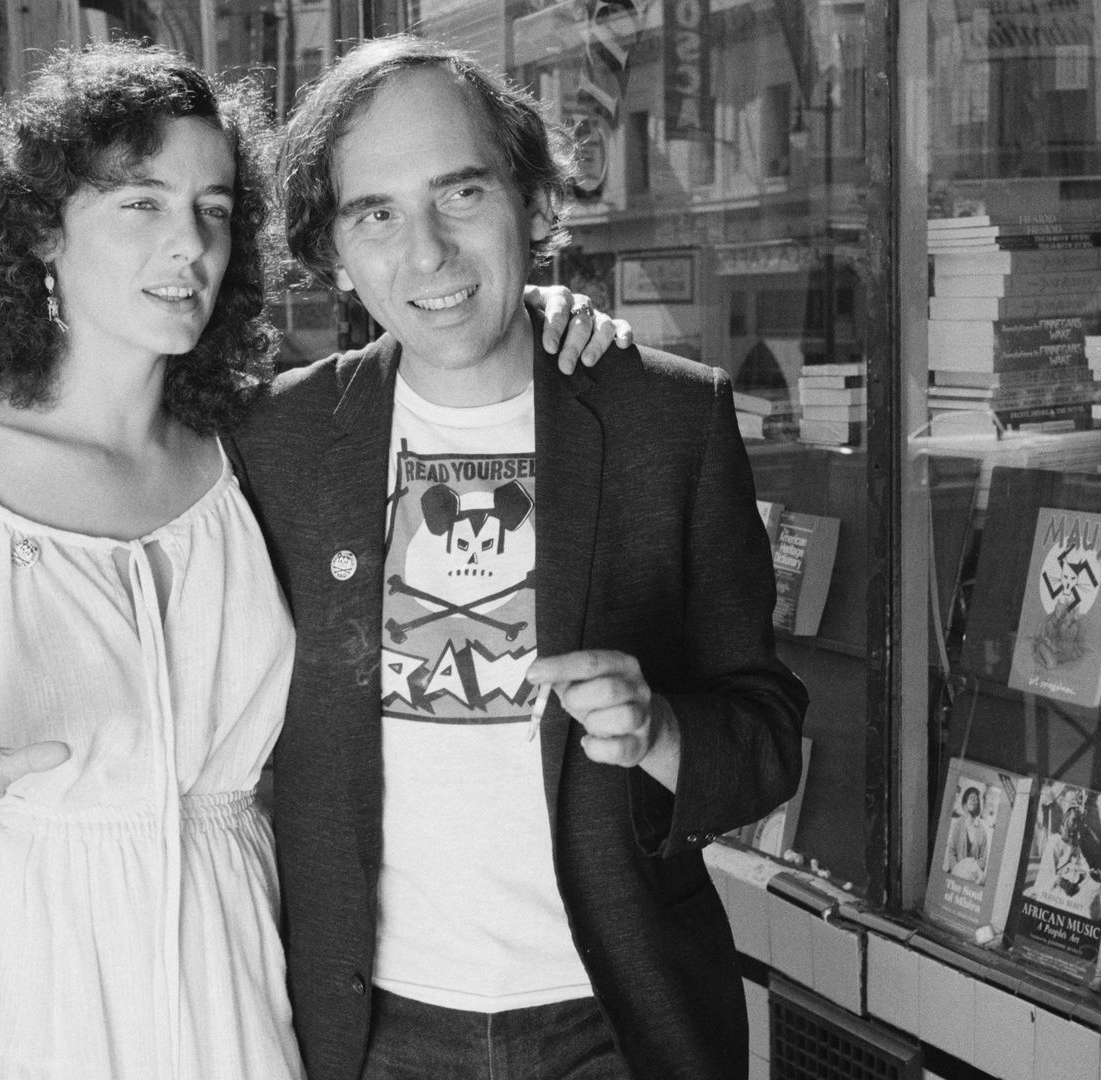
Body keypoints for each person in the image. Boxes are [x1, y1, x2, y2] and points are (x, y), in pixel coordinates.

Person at [0, 42, 624, 1080]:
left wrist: (540, 316)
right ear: (43, 229)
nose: (188, 245)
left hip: (232, 994)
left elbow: (447, 366)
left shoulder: (255, 454)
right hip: (15, 990)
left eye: (215, 208)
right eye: (140, 203)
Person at [234, 35, 808, 1080]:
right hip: (369, 1034)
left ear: (535, 202)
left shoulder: (665, 419)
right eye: (377, 215)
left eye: (460, 195)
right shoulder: (274, 446)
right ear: (333, 252)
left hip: (617, 1022)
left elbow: (767, 739)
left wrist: (661, 731)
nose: (429, 255)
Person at [943, 783, 989, 883]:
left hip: (973, 878)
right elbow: (951, 852)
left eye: (976, 799)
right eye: (971, 798)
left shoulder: (982, 831)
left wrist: (972, 871)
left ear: (978, 805)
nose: (974, 800)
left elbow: (983, 859)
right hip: (956, 875)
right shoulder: (958, 824)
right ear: (964, 804)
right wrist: (957, 871)